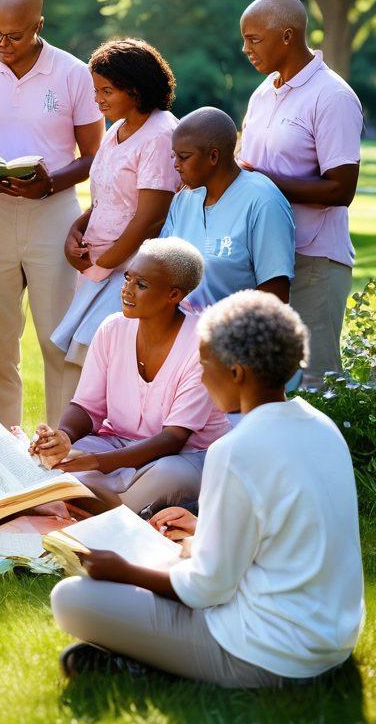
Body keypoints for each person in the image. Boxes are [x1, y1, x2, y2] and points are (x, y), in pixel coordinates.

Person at [51, 291, 364, 688]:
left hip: (266, 653)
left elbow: (206, 589)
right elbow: (291, 531)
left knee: (70, 599)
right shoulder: (322, 427)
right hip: (332, 639)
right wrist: (203, 528)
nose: (200, 377)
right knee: (175, 554)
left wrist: (122, 570)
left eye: (204, 365)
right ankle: (139, 653)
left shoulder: (234, 449)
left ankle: (143, 660)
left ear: (236, 373)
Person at [0, 0, 102, 427]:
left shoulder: (74, 73)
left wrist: (50, 184)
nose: (2, 44)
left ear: (39, 26)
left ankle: (59, 450)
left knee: (58, 339)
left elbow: (95, 154)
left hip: (54, 211)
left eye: (13, 36)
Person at [33, 238, 230, 514]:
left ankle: (86, 503)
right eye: (128, 279)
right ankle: (98, 505)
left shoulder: (203, 346)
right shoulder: (112, 328)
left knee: (168, 479)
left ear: (174, 295)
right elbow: (87, 407)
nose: (127, 290)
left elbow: (173, 439)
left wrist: (95, 462)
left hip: (182, 457)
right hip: (114, 444)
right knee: (43, 466)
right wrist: (64, 437)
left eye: (142, 285)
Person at [239, 0, 362, 384]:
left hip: (314, 260)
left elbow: (341, 189)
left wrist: (261, 182)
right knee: (263, 379)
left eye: (254, 39)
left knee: (315, 382)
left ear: (288, 36)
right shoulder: (263, 93)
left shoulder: (333, 96)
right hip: (264, 255)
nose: (246, 49)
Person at [52, 38, 180, 366]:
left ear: (135, 89)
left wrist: (104, 264)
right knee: (81, 359)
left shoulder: (160, 134)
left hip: (130, 270)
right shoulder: (117, 129)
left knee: (98, 357)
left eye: (106, 91)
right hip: (101, 265)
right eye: (96, 91)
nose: (98, 100)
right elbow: (104, 197)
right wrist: (74, 233)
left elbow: (151, 218)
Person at [162, 107, 295, 311]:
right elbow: (161, 266)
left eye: (184, 157)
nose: (176, 165)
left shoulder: (263, 201)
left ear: (214, 156)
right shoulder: (184, 199)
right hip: (176, 331)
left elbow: (274, 296)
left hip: (230, 335)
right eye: (174, 156)